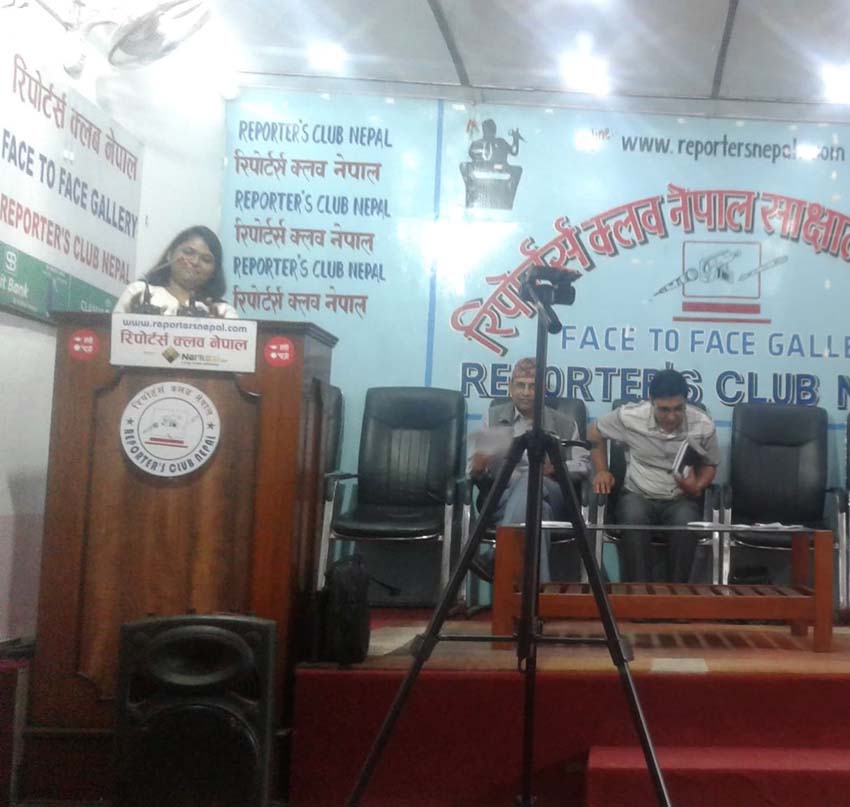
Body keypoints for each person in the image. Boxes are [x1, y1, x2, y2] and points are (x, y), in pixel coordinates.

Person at [588, 369, 721, 583]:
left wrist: (697, 486)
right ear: (651, 401)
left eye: (678, 409)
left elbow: (710, 464)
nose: (671, 416)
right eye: (664, 409)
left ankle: (677, 594)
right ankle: (637, 593)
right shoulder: (630, 417)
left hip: (680, 498)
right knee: (633, 519)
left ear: (686, 402)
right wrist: (602, 470)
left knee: (686, 523)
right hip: (638, 494)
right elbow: (594, 432)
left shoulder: (703, 425)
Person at [469, 358, 590, 582]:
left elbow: (583, 465)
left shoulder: (564, 422)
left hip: (553, 494)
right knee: (537, 513)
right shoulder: (493, 418)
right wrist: (478, 466)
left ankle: (498, 555)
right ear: (510, 386)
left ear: (543, 390)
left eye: (533, 386)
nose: (526, 393)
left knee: (530, 479)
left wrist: (556, 468)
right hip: (502, 498)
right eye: (521, 385)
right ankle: (539, 593)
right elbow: (475, 469)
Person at [114, 225, 238, 318]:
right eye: (188, 252)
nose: (195, 262)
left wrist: (217, 325)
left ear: (214, 271)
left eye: (206, 260)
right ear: (170, 254)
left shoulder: (223, 311)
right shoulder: (139, 292)